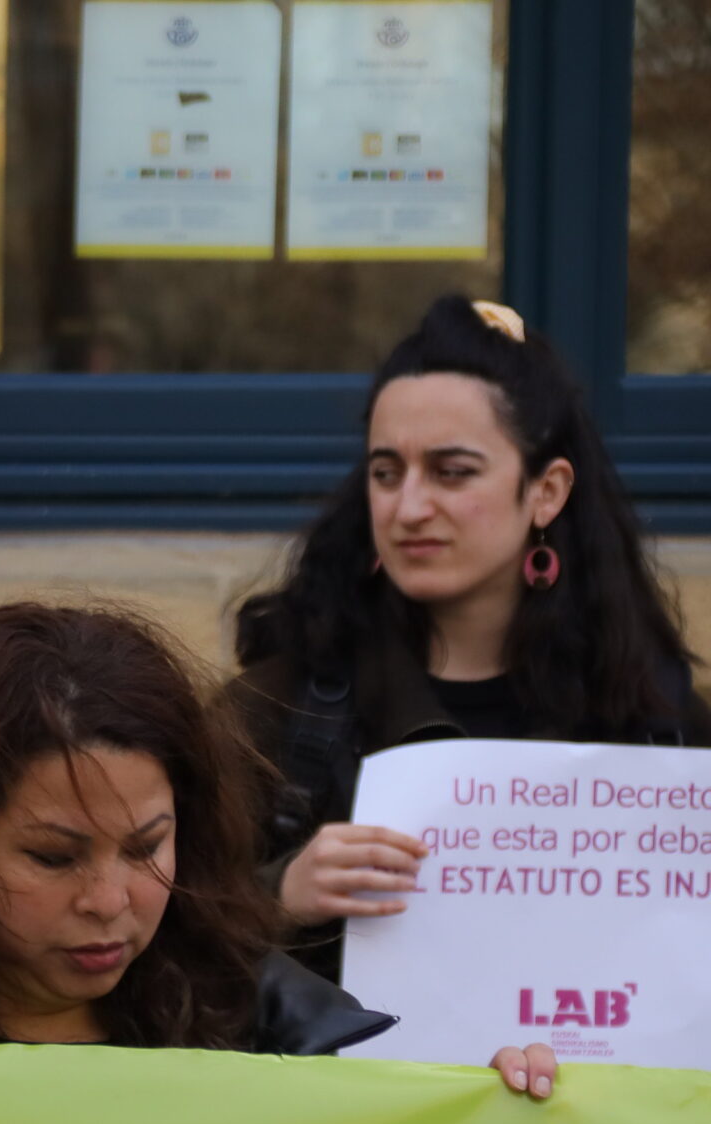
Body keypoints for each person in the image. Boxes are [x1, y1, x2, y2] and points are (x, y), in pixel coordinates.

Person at [0, 602, 556, 1095]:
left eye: (146, 846)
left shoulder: (274, 1029)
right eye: (54, 857)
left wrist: (486, 1111)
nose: (110, 900)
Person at [231, 295, 709, 983]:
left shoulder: (658, 723)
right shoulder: (282, 708)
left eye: (452, 472)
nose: (409, 507)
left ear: (546, 491)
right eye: (386, 473)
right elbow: (138, 930)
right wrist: (279, 895)